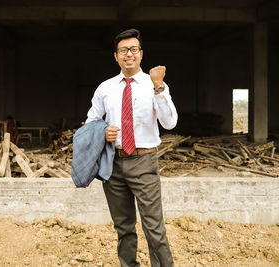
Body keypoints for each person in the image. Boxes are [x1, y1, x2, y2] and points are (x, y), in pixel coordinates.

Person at [85, 28, 178, 267]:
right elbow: (90, 122)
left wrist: (159, 88)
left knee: (154, 227)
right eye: (123, 50)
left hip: (144, 162)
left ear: (141, 54)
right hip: (113, 164)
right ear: (115, 56)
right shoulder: (105, 88)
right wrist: (101, 131)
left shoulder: (154, 84)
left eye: (134, 49)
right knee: (124, 227)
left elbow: (170, 122)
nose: (129, 54)